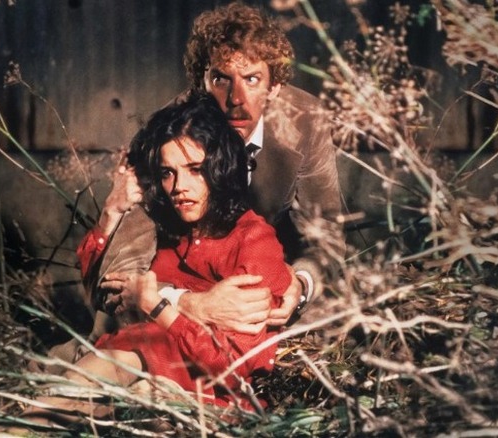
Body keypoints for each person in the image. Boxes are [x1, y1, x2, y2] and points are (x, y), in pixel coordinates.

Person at [25, 92, 291, 423]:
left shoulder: (254, 241)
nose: (179, 187)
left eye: (195, 170)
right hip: (131, 363)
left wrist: (158, 307)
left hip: (209, 396)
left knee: (112, 373)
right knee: (61, 393)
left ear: (221, 169)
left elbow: (233, 369)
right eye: (168, 173)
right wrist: (111, 211)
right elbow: (102, 292)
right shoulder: (166, 226)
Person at [90, 2, 346, 337]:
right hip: (176, 297)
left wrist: (301, 284)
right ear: (202, 82)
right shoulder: (164, 135)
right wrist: (192, 303)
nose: (236, 99)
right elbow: (117, 278)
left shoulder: (306, 120)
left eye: (252, 79)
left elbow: (328, 238)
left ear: (274, 87)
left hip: (266, 288)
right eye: (221, 79)